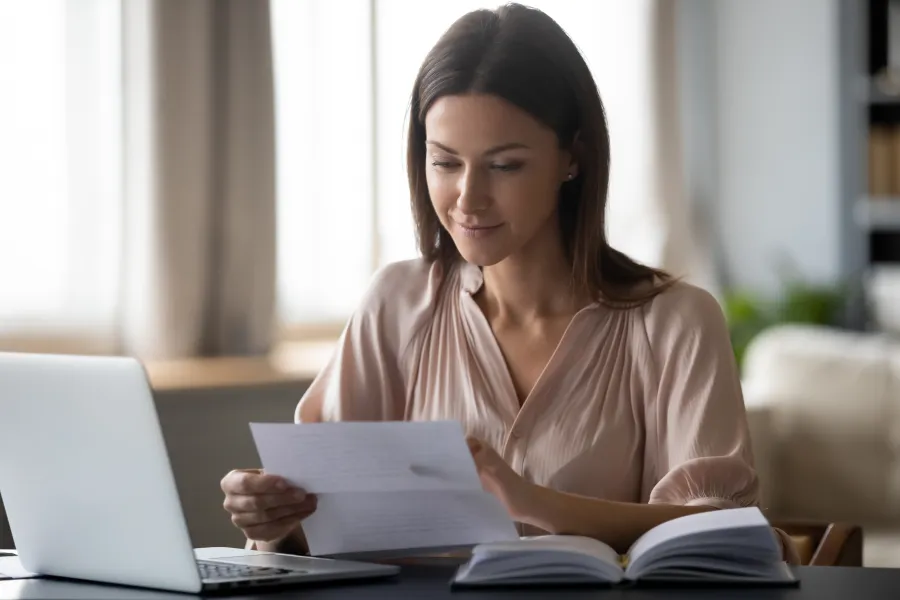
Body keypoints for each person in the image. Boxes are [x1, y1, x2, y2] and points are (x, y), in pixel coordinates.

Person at [221, 2, 798, 562]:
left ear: (572, 158)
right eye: (445, 162)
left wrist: (531, 503)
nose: (467, 199)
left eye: (504, 165)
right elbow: (328, 528)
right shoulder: (395, 305)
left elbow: (724, 530)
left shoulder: (676, 321)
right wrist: (278, 519)